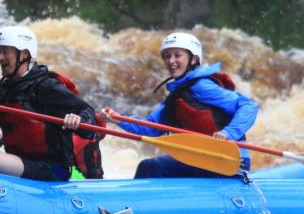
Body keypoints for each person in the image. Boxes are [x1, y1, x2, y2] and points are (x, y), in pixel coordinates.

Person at [0, 26, 103, 181]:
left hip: (51, 169)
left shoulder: (45, 86)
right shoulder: (4, 89)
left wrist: (78, 119)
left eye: (5, 51)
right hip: (20, 163)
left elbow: (87, 113)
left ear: (24, 54)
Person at [102, 32, 258, 178]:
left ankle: (135, 206)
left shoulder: (202, 86)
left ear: (193, 59)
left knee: (152, 167)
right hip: (203, 159)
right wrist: (118, 119)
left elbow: (248, 106)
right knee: (149, 166)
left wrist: (228, 133)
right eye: (167, 56)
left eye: (178, 55)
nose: (171, 61)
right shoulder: (177, 96)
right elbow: (151, 128)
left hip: (229, 161)